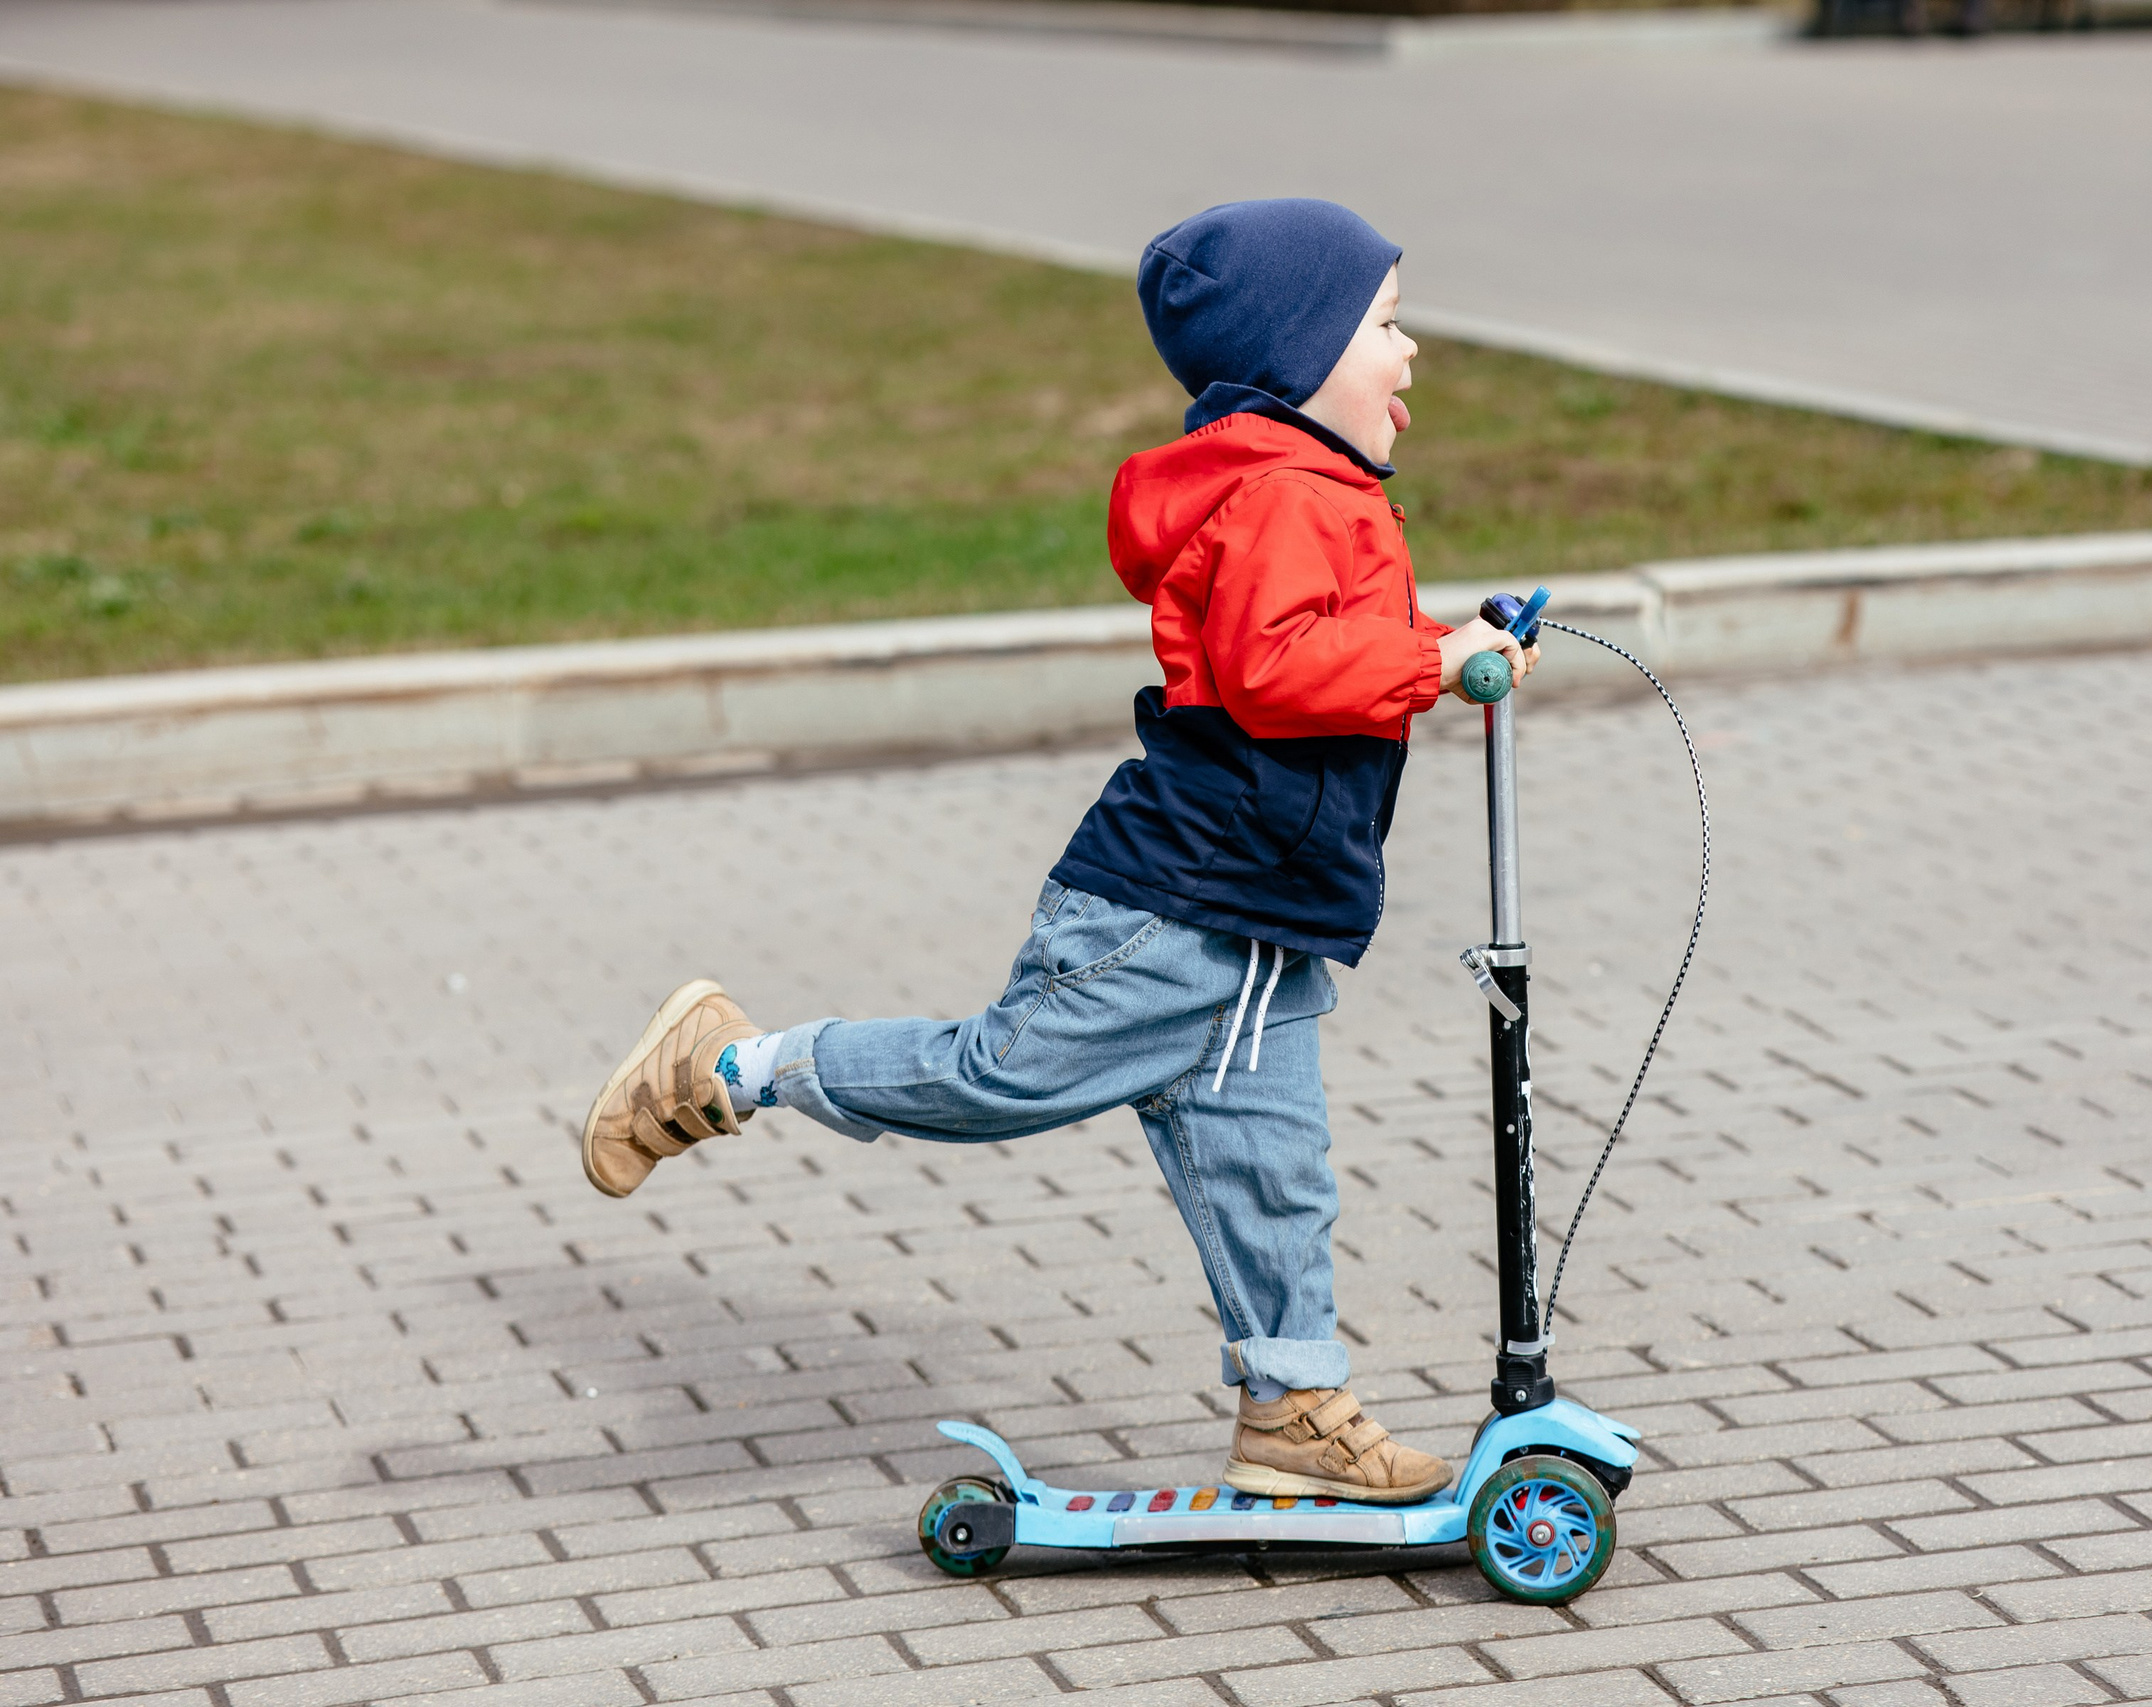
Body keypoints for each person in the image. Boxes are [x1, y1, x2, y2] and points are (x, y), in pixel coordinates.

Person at [578, 199, 1536, 1505]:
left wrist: (1452, 637)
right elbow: (1277, 670)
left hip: (1256, 917)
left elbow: (1331, 637)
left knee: (1274, 1169)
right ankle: (734, 1064)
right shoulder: (1282, 494)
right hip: (1179, 904)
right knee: (999, 1078)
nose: (1411, 351)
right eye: (1385, 323)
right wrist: (1431, 662)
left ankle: (1295, 1407)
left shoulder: (1312, 489)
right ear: (1299, 351)